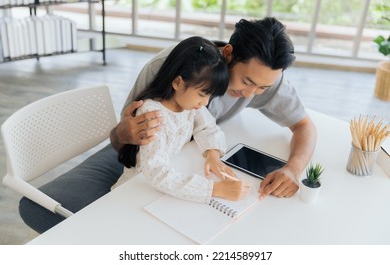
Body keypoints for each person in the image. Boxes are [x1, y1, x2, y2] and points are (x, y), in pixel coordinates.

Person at [19, 17, 317, 234]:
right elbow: (134, 150)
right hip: (146, 155)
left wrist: (292, 168)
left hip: (185, 157)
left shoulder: (265, 78)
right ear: (228, 54)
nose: (251, 94)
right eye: (247, 82)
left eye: (263, 88)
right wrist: (124, 132)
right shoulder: (169, 76)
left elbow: (303, 125)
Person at [112, 36, 251, 202]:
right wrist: (214, 189)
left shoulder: (190, 105)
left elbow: (208, 128)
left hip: (162, 189)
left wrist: (212, 155)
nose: (205, 102)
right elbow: (156, 172)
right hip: (134, 193)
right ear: (178, 82)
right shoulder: (151, 114)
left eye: (210, 95)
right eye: (202, 94)